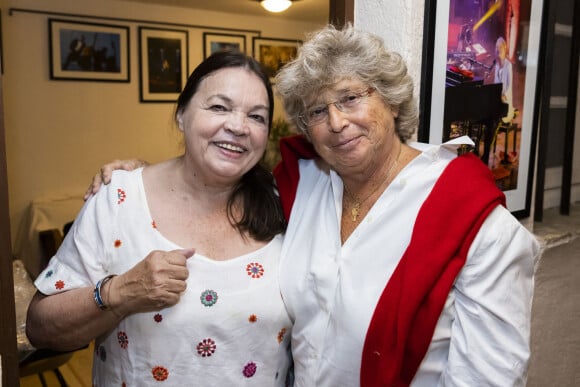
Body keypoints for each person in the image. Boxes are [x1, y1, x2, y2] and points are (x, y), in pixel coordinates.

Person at [86, 24, 540, 386]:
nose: (337, 122)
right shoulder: (301, 185)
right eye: (317, 112)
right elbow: (213, 182)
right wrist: (144, 175)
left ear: (391, 100)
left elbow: (489, 375)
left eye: (350, 98)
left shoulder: (475, 221)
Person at [26, 51, 292, 386]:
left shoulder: (285, 200)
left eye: (256, 116)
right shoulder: (119, 200)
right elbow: (39, 327)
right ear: (181, 115)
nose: (238, 127)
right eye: (219, 107)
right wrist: (119, 293)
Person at [494, 36, 515, 122]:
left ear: (505, 47)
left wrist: (504, 95)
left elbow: (510, 85)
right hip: (498, 98)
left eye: (500, 47)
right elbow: (495, 82)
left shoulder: (508, 65)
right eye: (497, 47)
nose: (499, 49)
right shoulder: (497, 65)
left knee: (495, 116)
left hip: (505, 100)